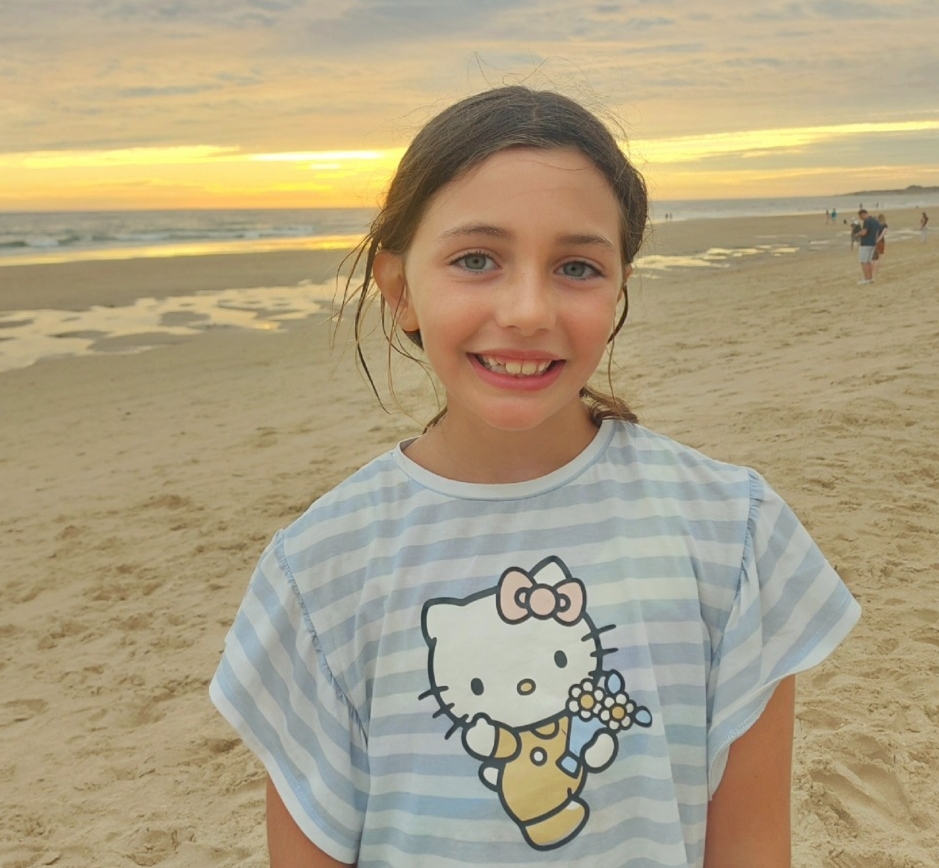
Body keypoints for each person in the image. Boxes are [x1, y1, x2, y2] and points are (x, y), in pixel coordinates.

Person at [210, 87, 860, 868]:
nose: (526, 310)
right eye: (476, 259)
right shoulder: (318, 569)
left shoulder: (732, 533)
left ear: (619, 287)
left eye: (577, 266)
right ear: (400, 288)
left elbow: (752, 846)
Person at [856, 208, 881, 283]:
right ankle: (870, 278)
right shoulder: (875, 221)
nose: (860, 218)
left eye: (860, 216)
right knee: (868, 261)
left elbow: (864, 232)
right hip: (872, 243)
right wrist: (876, 242)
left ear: (863, 214)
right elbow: (877, 233)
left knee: (864, 261)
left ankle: (866, 278)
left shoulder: (867, 221)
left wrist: (858, 234)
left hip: (866, 244)